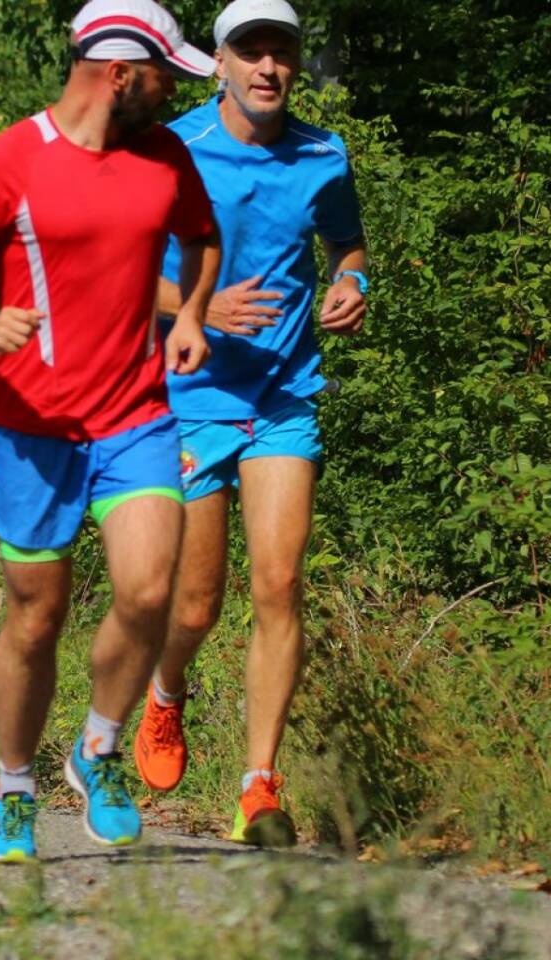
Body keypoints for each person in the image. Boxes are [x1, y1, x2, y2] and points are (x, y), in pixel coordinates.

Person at [0, 0, 221, 860]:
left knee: (150, 590)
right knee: (34, 620)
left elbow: (203, 240)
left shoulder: (166, 155)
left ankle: (100, 747)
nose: (171, 92)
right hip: (32, 429)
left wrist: (189, 313)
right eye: (163, 75)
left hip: (135, 413)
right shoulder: (12, 159)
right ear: (119, 73)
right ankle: (12, 791)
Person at [132, 0, 368, 848]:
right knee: (194, 606)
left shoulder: (323, 155)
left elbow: (347, 242)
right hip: (188, 396)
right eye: (251, 52)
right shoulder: (173, 151)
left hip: (282, 399)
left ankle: (258, 788)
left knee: (278, 585)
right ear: (220, 62)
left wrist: (354, 285)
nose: (268, 67)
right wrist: (196, 303)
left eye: (282, 53)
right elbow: (113, 267)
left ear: (295, 66)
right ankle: (166, 694)